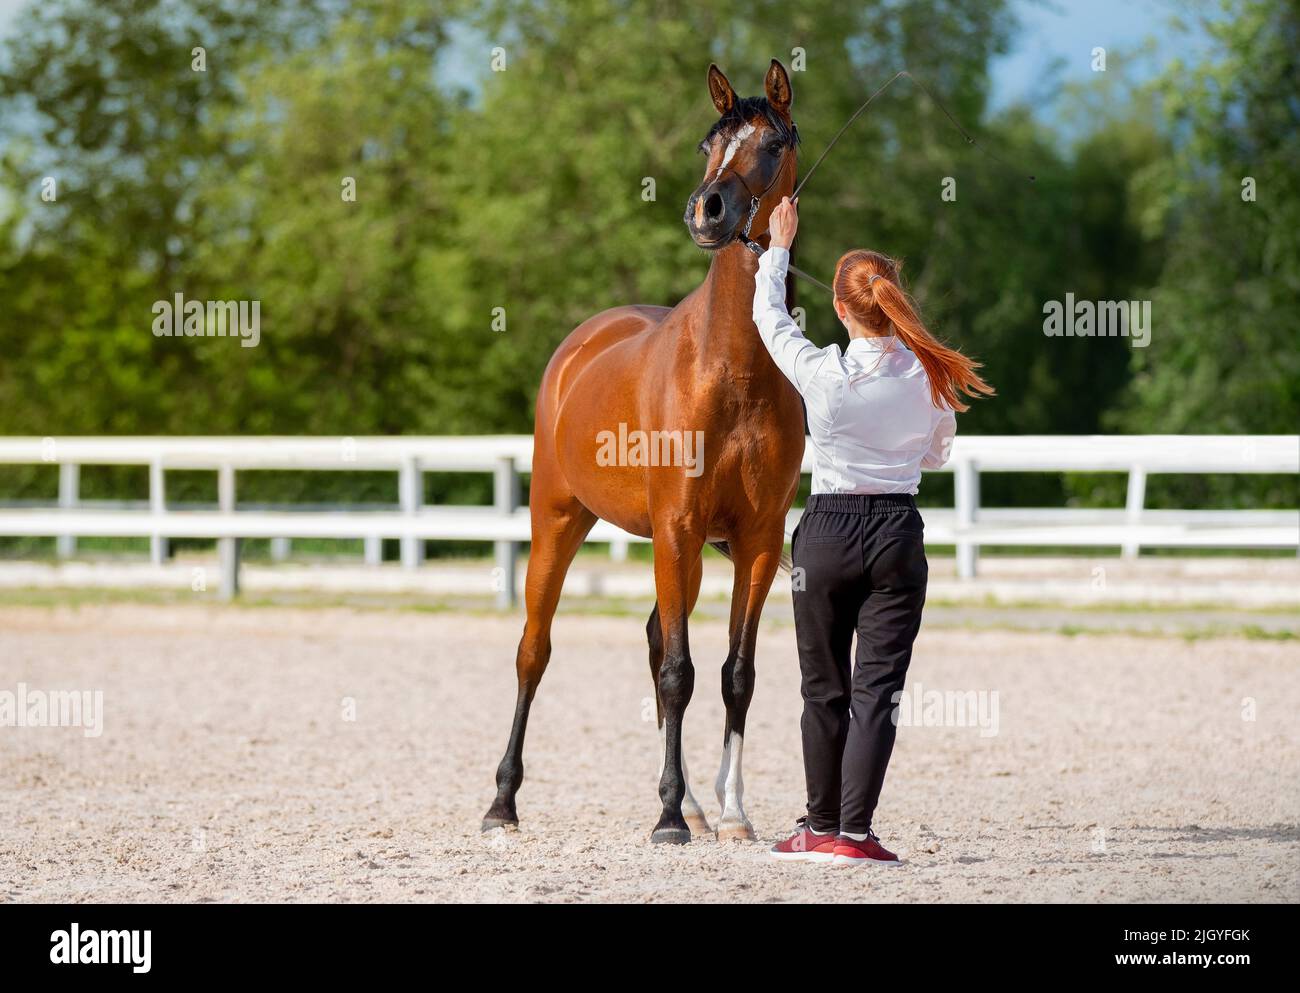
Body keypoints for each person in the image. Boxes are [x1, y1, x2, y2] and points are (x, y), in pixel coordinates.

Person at [756, 196, 994, 866]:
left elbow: (769, 320)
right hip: (896, 533)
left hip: (826, 532)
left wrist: (778, 247)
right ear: (892, 300)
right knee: (877, 691)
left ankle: (818, 826)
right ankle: (854, 834)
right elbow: (935, 454)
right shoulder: (931, 375)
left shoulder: (821, 372)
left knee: (821, 687)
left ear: (838, 309)